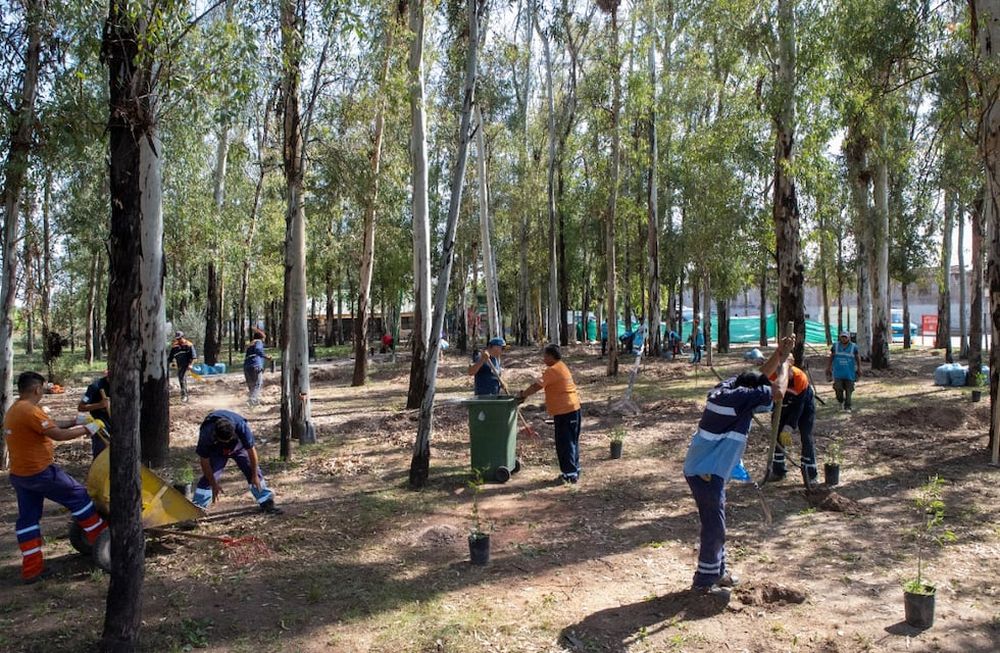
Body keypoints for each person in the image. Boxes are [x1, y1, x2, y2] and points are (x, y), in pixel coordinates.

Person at [683, 335, 794, 594]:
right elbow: (778, 392)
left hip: (708, 468)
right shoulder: (741, 399)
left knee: (715, 522)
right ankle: (705, 580)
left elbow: (758, 375)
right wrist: (786, 365)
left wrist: (778, 354)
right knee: (715, 525)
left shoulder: (729, 386)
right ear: (751, 393)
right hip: (705, 472)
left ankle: (716, 570)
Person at [5, 371, 108, 583]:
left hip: (20, 475)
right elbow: (57, 435)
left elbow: (50, 425)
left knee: (28, 519)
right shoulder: (30, 411)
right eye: (42, 389)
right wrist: (87, 428)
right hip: (40, 472)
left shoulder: (15, 409)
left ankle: (32, 569)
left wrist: (74, 421)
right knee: (79, 495)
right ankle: (101, 541)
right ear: (37, 389)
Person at [516, 344, 582, 484]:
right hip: (572, 409)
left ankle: (570, 474)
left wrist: (523, 395)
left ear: (551, 356)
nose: (544, 358)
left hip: (565, 411)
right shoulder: (561, 366)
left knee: (565, 443)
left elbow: (537, 386)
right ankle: (574, 470)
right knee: (572, 441)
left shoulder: (552, 370)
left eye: (545, 355)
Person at [193, 409, 280, 513]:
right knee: (211, 475)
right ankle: (197, 508)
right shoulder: (206, 433)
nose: (227, 443)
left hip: (238, 447)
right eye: (224, 441)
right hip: (217, 450)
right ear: (216, 435)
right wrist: (213, 484)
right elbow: (204, 461)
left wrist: (255, 475)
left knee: (251, 469)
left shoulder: (241, 426)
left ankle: (266, 501)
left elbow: (251, 451)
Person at [750, 349, 818, 482]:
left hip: (804, 406)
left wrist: (790, 426)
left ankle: (810, 473)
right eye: (777, 368)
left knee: (806, 435)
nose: (780, 372)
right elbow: (765, 394)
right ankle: (778, 470)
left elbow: (799, 407)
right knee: (777, 435)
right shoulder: (770, 377)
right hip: (781, 404)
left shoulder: (800, 378)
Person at [77, 370, 111, 457]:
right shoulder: (95, 387)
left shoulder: (125, 385)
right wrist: (100, 405)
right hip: (100, 426)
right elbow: (81, 407)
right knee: (100, 454)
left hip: (120, 427)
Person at [827, 331, 861, 411]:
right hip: (838, 373)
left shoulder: (854, 347)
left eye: (845, 337)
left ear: (848, 338)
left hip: (849, 373)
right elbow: (832, 356)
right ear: (840, 337)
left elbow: (857, 357)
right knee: (838, 388)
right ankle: (840, 401)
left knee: (849, 390)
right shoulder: (835, 346)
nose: (844, 338)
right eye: (842, 337)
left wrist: (859, 368)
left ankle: (848, 406)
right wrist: (828, 367)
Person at [243, 328, 271, 407]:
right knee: (258, 384)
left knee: (251, 385)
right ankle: (252, 400)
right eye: (263, 339)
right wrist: (266, 356)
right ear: (261, 338)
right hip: (255, 365)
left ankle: (253, 403)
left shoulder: (250, 344)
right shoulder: (258, 342)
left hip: (247, 366)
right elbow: (258, 350)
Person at [168, 331, 198, 403]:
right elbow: (170, 358)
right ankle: (184, 395)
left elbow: (194, 357)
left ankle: (184, 396)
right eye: (177, 339)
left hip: (186, 365)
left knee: (181, 377)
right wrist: (169, 363)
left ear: (183, 337)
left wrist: (191, 365)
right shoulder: (175, 346)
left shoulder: (189, 345)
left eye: (180, 338)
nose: (178, 340)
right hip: (179, 365)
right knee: (181, 378)